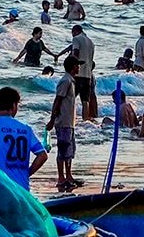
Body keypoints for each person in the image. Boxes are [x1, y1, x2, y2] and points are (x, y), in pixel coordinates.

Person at [0, 86, 48, 190]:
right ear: (14, 106)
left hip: (0, 187)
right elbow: (42, 155)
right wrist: (27, 173)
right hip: (22, 188)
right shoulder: (26, 129)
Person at [48, 57, 81, 192]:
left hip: (69, 122)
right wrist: (52, 119)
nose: (79, 67)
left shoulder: (71, 81)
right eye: (77, 65)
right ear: (73, 66)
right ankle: (61, 178)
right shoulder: (65, 81)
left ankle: (69, 176)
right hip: (63, 122)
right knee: (63, 150)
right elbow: (58, 100)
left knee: (70, 150)